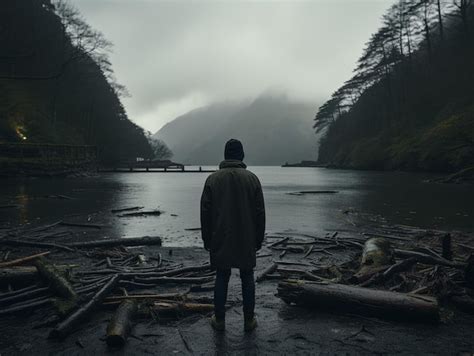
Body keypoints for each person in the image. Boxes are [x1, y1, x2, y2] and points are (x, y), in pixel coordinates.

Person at [200, 139, 265, 332]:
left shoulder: (212, 179)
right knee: (247, 276)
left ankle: (219, 320)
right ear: (242, 155)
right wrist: (258, 239)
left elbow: (205, 212)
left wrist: (207, 239)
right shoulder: (252, 179)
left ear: (225, 155)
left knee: (222, 275)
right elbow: (260, 212)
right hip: (247, 237)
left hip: (220, 236)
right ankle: (248, 321)